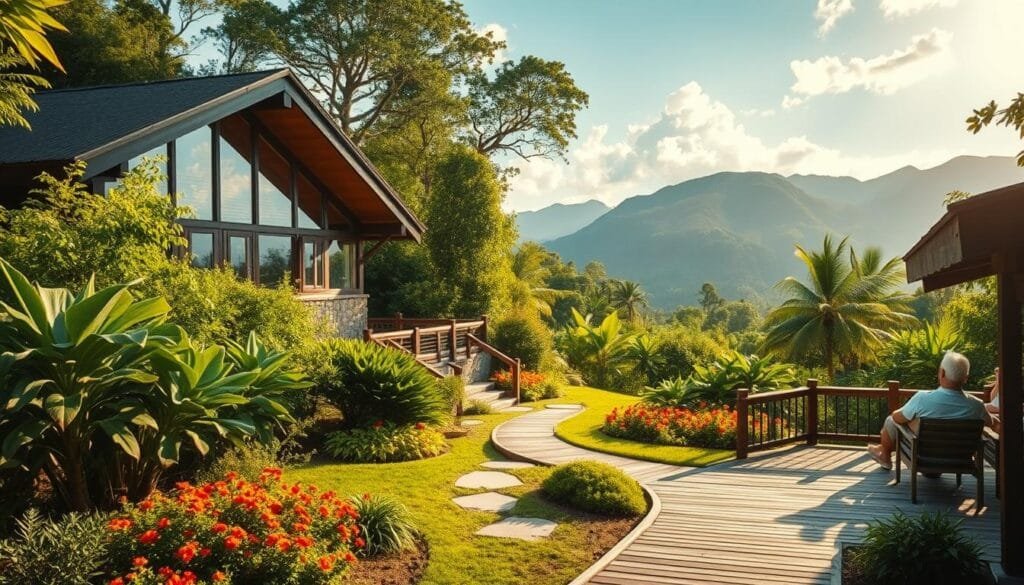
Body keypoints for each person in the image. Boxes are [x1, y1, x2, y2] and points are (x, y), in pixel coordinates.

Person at [867, 351, 992, 470]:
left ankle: (884, 454)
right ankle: (882, 450)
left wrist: (912, 422)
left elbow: (896, 418)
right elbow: (990, 422)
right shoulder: (977, 405)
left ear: (942, 373)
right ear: (966, 378)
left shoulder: (922, 398)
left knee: (890, 420)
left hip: (922, 458)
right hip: (960, 460)